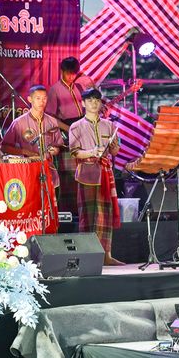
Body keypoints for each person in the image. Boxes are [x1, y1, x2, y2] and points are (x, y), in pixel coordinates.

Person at [68, 88, 123, 266]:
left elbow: (115, 151)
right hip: (87, 173)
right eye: (90, 100)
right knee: (89, 215)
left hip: (106, 173)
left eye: (97, 100)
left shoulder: (109, 125)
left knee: (106, 214)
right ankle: (88, 256)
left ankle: (107, 255)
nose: (94, 103)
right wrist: (92, 152)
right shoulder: (76, 126)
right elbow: (74, 152)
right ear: (83, 103)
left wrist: (114, 147)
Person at [45, 57, 95, 217]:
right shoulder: (54, 90)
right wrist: (69, 129)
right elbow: (50, 117)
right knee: (69, 176)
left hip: (82, 132)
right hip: (66, 133)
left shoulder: (80, 87)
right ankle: (68, 213)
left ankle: (83, 211)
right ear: (62, 71)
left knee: (83, 172)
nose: (71, 77)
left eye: (74, 74)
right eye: (68, 74)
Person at [2, 84, 63, 180]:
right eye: (38, 98)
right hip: (27, 170)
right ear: (30, 99)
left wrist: (55, 150)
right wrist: (24, 152)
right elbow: (4, 147)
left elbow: (58, 145)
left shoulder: (52, 121)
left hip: (48, 169)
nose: (42, 102)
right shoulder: (19, 122)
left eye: (44, 98)